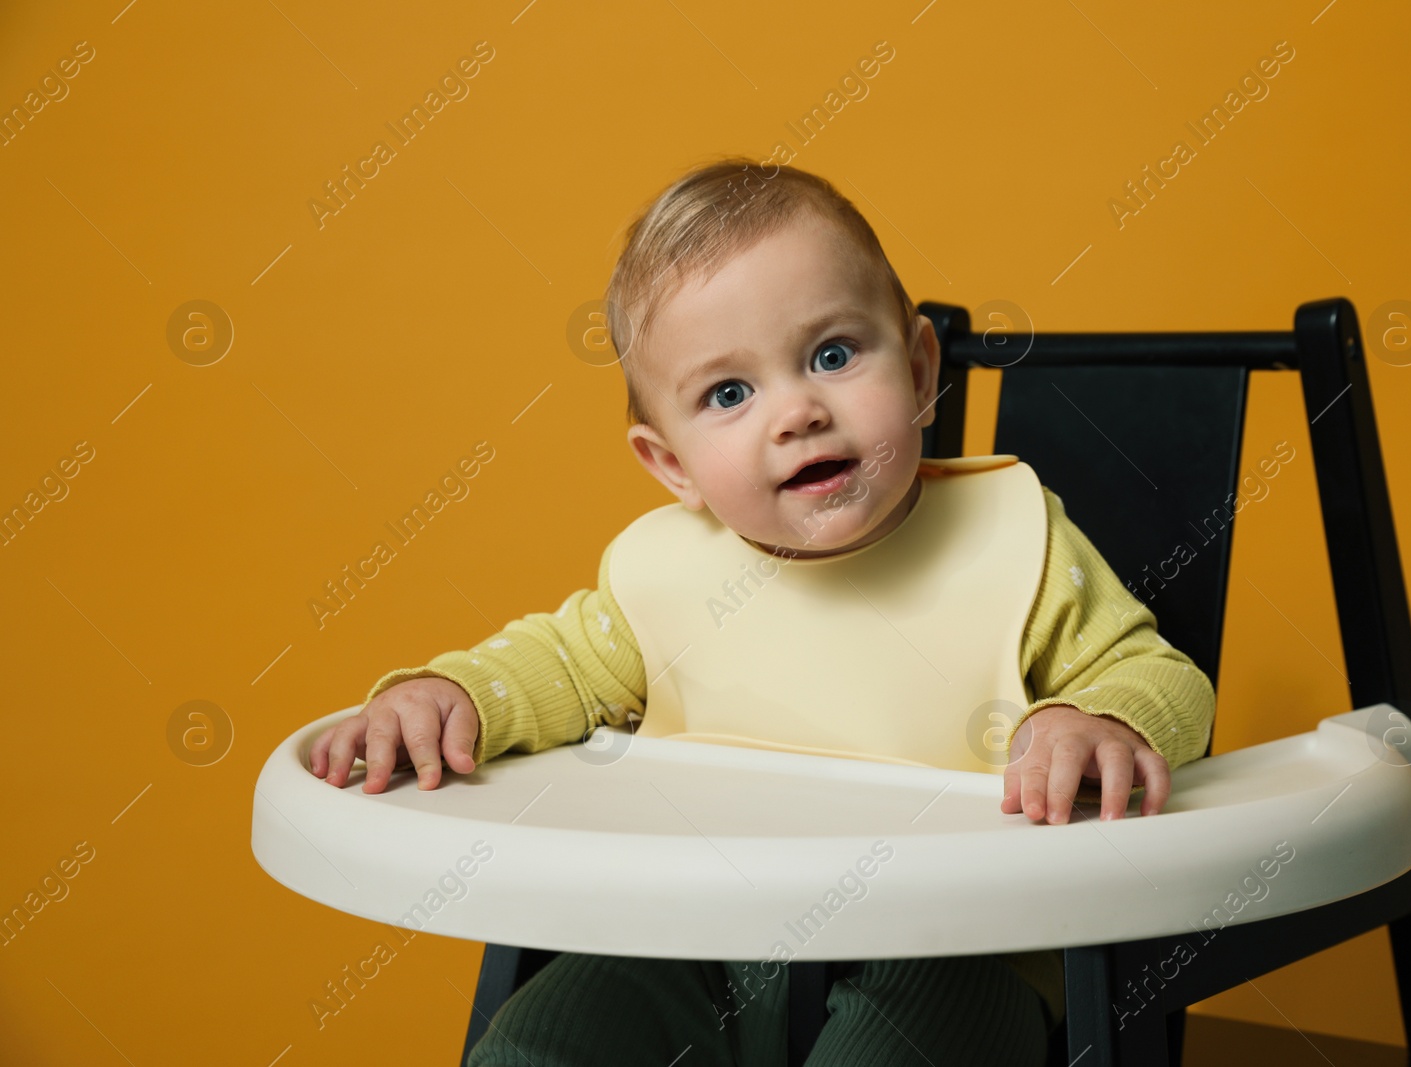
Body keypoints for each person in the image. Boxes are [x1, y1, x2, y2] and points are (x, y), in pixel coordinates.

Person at [310, 156, 1216, 1066]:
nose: (797, 413)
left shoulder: (1012, 539)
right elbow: (553, 665)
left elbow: (1159, 676)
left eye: (832, 354)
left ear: (920, 366)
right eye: (729, 394)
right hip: (689, 937)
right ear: (671, 466)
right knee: (535, 1048)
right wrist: (447, 694)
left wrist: (1093, 718)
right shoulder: (665, 578)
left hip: (948, 946)